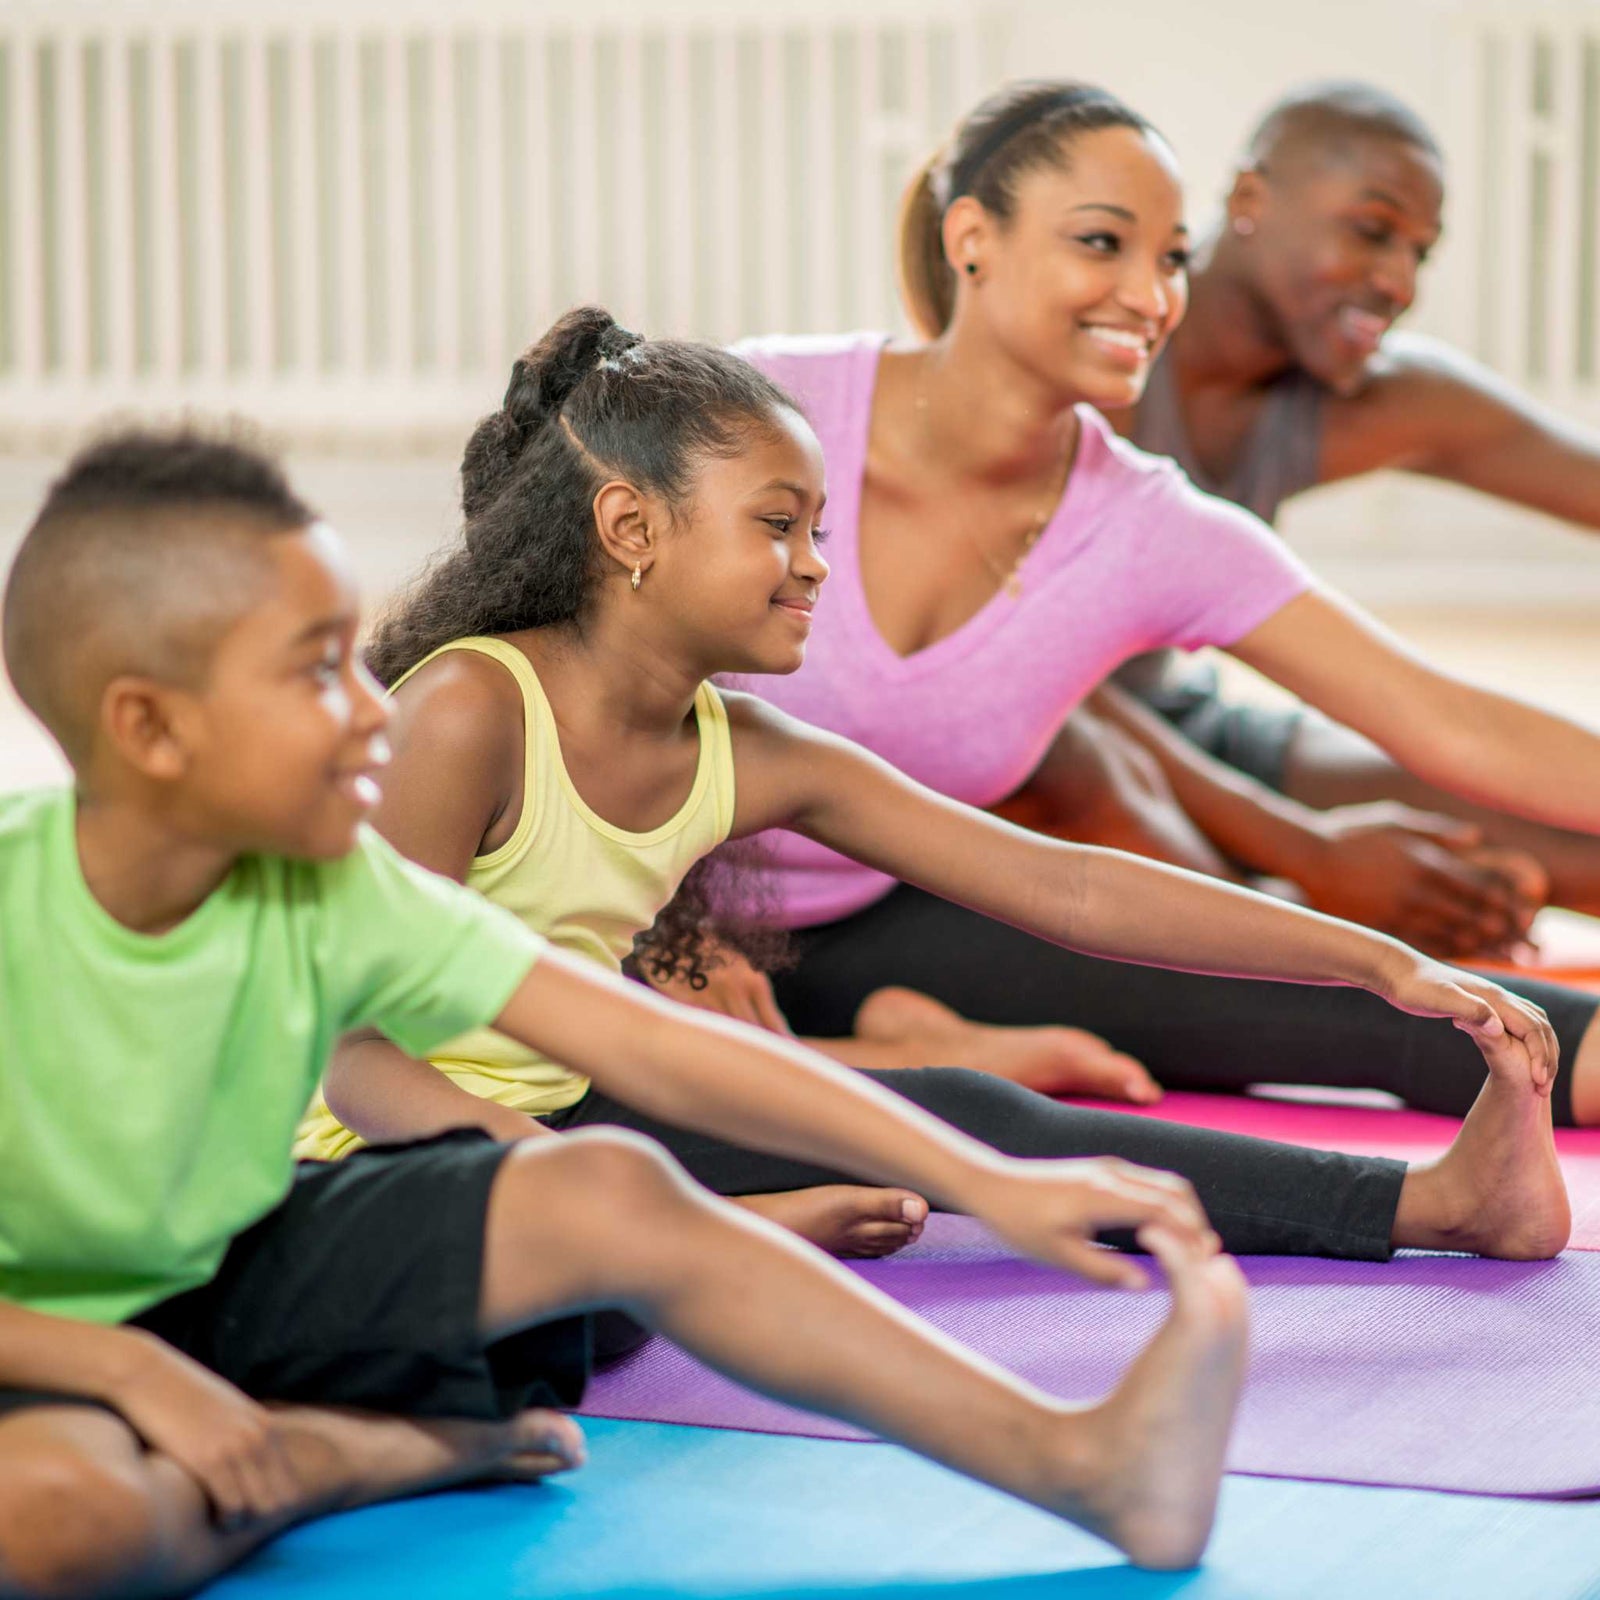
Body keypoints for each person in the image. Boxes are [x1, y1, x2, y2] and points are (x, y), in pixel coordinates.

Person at [0, 428, 1292, 1590]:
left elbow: (645, 1046)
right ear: (150, 729)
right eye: (317, 674)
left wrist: (981, 1175)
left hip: (228, 1274)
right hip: (34, 1353)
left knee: (609, 1185)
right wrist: (121, 1369)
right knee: (54, 1525)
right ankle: (345, 1458)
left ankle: (1082, 1464)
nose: (367, 713)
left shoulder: (328, 887)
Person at [300, 306, 1567, 1282]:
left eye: (819, 533)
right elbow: (354, 1063)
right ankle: (709, 1242)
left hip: (561, 1115)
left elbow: (1064, 886)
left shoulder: (742, 746)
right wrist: (669, 1212)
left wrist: (1374, 958)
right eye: (777, 527)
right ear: (630, 528)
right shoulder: (468, 713)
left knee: (960, 1116)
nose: (812, 570)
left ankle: (1434, 1205)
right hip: (365, 1161)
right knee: (625, 1271)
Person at [658, 79, 1600, 1125]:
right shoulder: (764, 407)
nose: (1149, 295)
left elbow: (1450, 719)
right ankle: (890, 1054)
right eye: (1103, 243)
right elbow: (548, 671)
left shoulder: (1148, 521)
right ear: (972, 237)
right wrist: (649, 932)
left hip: (871, 913)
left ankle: (886, 1042)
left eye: (1170, 258)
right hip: (624, 909)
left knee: (1350, 999)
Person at [1087, 80, 1600, 935]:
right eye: (1371, 231)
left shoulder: (1366, 396)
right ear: (1250, 198)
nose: (1399, 281)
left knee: (1547, 842)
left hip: (1191, 729)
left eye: (1419, 253)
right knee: (1192, 889)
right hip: (1050, 752)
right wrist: (1309, 855)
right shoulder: (1096, 364)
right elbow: (1014, 700)